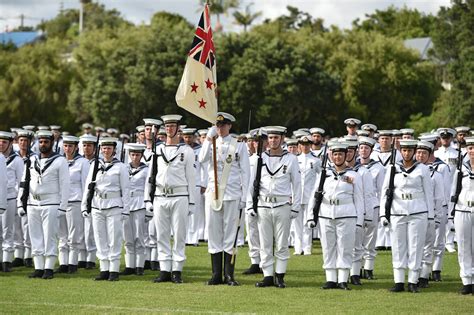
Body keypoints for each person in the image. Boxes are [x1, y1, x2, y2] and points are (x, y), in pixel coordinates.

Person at [199, 113, 250, 286]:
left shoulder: (239, 145)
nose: (220, 128)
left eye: (223, 125)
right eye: (217, 125)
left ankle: (229, 274)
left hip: (232, 193)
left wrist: (244, 196)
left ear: (229, 126)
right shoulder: (211, 142)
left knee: (230, 234)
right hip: (213, 193)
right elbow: (202, 158)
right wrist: (207, 138)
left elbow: (245, 172)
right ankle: (216, 274)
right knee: (213, 232)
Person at [246, 126, 301, 288]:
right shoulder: (259, 158)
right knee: (265, 243)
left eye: (276, 138)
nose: (273, 141)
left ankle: (280, 275)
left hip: (282, 204)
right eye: (270, 138)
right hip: (263, 204)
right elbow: (252, 185)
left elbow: (297, 185)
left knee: (282, 243)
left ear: (282, 139)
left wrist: (295, 207)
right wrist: (251, 205)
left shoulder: (290, 159)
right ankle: (268, 275)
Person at [307, 140, 364, 290]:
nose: (337, 157)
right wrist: (310, 216)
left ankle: (343, 279)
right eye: (335, 154)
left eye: (340, 154)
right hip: (326, 214)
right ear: (330, 156)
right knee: (328, 247)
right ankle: (331, 279)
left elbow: (359, 199)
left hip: (346, 214)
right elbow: (314, 196)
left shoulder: (354, 175)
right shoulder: (324, 175)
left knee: (345, 247)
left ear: (346, 155)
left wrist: (359, 221)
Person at [145, 115, 195, 284]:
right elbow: (150, 176)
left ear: (178, 129)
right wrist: (147, 198)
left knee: (179, 234)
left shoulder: (186, 151)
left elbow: (192, 179)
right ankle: (165, 269)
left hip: (180, 196)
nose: (169, 129)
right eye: (167, 127)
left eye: (173, 126)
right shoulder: (157, 150)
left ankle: (177, 270)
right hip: (160, 196)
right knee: (162, 235)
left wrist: (192, 202)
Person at [380, 139, 433, 293]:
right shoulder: (392, 169)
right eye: (404, 150)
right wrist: (384, 213)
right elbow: (385, 193)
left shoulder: (422, 169)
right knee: (398, 246)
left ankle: (413, 281)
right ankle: (398, 281)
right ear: (400, 151)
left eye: (410, 150)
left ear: (414, 151)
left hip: (418, 211)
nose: (407, 153)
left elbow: (428, 194)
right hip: (397, 211)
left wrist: (430, 216)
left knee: (416, 246)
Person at [17, 130, 70, 279]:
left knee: (50, 236)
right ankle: (38, 267)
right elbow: (24, 182)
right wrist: (21, 203)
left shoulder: (60, 161)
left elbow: (65, 185)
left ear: (52, 143)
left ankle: (49, 268)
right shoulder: (32, 159)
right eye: (40, 142)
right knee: (35, 236)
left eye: (46, 142)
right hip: (33, 203)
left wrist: (62, 206)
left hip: (51, 202)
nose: (43, 145)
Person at [81, 137, 131, 281]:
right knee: (99, 237)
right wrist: (85, 205)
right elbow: (88, 186)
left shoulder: (120, 167)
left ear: (114, 150)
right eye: (104, 148)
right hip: (97, 204)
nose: (106, 151)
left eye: (109, 148)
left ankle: (114, 270)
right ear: (100, 150)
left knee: (114, 238)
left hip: (114, 205)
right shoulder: (95, 165)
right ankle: (104, 269)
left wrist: (125, 209)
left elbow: (125, 189)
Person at [55, 136, 90, 275]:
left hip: (75, 201)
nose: (67, 149)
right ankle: (63, 263)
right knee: (62, 235)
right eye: (65, 146)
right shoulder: (59, 161)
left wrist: (84, 204)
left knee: (74, 235)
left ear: (76, 147)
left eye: (70, 146)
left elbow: (85, 185)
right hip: (60, 201)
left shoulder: (82, 163)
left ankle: (73, 263)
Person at [415, 140, 446, 288]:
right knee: (414, 246)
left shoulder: (436, 175)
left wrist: (437, 218)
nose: (420, 156)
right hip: (415, 214)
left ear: (429, 156)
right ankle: (414, 274)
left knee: (428, 247)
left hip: (430, 215)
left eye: (424, 153)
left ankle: (424, 276)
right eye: (419, 152)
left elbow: (439, 199)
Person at [357, 136, 385, 280]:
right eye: (361, 148)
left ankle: (368, 268)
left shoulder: (378, 167)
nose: (363, 150)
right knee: (357, 238)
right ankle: (357, 267)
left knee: (370, 238)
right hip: (357, 205)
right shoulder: (354, 166)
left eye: (366, 148)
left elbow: (381, 190)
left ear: (371, 150)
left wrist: (381, 210)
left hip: (372, 205)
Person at [450, 136, 474, 295]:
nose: (472, 151)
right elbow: (454, 191)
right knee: (464, 246)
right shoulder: (461, 169)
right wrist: (451, 214)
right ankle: (466, 281)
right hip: (462, 209)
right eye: (470, 148)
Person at [121, 143, 150, 276]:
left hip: (139, 203)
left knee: (139, 236)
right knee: (128, 236)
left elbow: (148, 188)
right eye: (132, 154)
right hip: (127, 203)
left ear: (141, 155)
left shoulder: (146, 170)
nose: (135, 157)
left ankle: (139, 266)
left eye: (137, 155)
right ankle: (129, 266)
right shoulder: (123, 168)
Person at [0, 131, 24, 272]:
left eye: (4, 142)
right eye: (0, 141)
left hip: (10, 197)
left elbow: (20, 180)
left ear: (10, 144)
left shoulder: (17, 160)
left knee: (8, 230)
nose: (1, 144)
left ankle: (7, 261)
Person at [293, 135, 321, 255]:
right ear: (299, 145)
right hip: (297, 195)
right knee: (297, 223)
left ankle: (307, 247)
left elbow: (320, 177)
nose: (305, 146)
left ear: (310, 145)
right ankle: (298, 248)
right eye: (302, 144)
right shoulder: (294, 159)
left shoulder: (315, 160)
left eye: (307, 144)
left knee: (308, 222)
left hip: (310, 195)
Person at [142, 118, 162, 271]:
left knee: (154, 229)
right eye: (147, 129)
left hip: (156, 191)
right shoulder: (138, 149)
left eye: (153, 129)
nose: (149, 132)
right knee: (141, 229)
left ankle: (155, 260)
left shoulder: (161, 149)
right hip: (139, 193)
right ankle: (144, 259)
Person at [11, 129, 34, 268]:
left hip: (28, 195)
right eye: (21, 141)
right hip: (13, 195)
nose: (23, 143)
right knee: (16, 227)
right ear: (17, 142)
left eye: (26, 141)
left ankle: (28, 255)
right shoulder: (13, 158)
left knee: (27, 226)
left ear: (30, 142)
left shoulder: (34, 158)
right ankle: (18, 255)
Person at [435, 128, 459, 253]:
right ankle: (437, 241)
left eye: (448, 138)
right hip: (437, 189)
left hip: (452, 188)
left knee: (450, 216)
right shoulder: (435, 153)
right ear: (440, 139)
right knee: (438, 215)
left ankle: (449, 242)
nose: (445, 139)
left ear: (451, 138)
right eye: (443, 138)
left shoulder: (457, 154)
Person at [78, 134, 98, 269]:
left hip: (92, 199)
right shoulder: (78, 161)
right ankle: (80, 257)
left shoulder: (98, 163)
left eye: (89, 145)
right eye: (84, 145)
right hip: (77, 198)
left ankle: (90, 258)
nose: (86, 148)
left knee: (90, 230)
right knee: (79, 230)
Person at [182, 128, 205, 247]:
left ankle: (194, 238)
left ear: (194, 137)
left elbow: (203, 167)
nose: (187, 139)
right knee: (183, 211)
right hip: (182, 184)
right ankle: (185, 237)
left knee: (195, 212)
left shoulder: (199, 150)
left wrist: (203, 183)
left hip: (196, 183)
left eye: (189, 137)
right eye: (185, 137)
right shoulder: (180, 149)